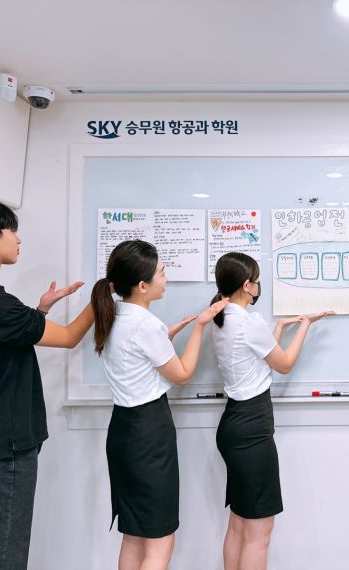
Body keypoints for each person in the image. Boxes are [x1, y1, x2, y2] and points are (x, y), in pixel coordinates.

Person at [0, 197, 94, 570]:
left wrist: (41, 310)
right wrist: (104, 294)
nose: (18, 239)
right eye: (11, 230)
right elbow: (69, 337)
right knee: (2, 557)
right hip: (1, 448)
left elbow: (10, 336)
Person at [90, 239, 228, 570]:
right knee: (160, 538)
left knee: (134, 535)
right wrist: (199, 328)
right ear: (142, 285)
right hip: (148, 434)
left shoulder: (115, 316)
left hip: (122, 431)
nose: (166, 278)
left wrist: (167, 337)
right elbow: (182, 374)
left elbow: (135, 361)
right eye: (162, 273)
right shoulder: (146, 325)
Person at [210, 252, 333, 570]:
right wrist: (306, 325)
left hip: (234, 425)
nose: (258, 286)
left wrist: (278, 328)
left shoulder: (222, 320)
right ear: (246, 285)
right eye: (256, 281)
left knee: (238, 523)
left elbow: (257, 357)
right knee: (258, 532)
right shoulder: (248, 323)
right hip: (252, 430)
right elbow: (284, 364)